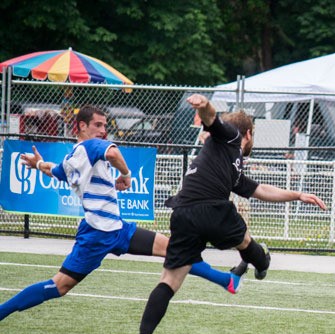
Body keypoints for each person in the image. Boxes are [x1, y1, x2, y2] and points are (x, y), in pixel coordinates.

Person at [121, 94, 328, 334]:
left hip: (182, 213)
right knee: (244, 240)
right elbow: (212, 119)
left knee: (169, 281)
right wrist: (205, 105)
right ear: (249, 133)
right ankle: (262, 262)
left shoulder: (229, 163)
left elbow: (260, 190)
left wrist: (297, 195)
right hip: (211, 208)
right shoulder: (230, 137)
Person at [0, 105, 239, 322]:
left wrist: (39, 164)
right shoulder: (91, 146)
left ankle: (226, 281)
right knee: (59, 286)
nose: (103, 130)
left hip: (118, 228)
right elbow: (113, 154)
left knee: (175, 249)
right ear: (81, 126)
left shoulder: (74, 155)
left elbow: (58, 171)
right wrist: (126, 174)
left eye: (105, 126)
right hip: (98, 234)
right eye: (98, 125)